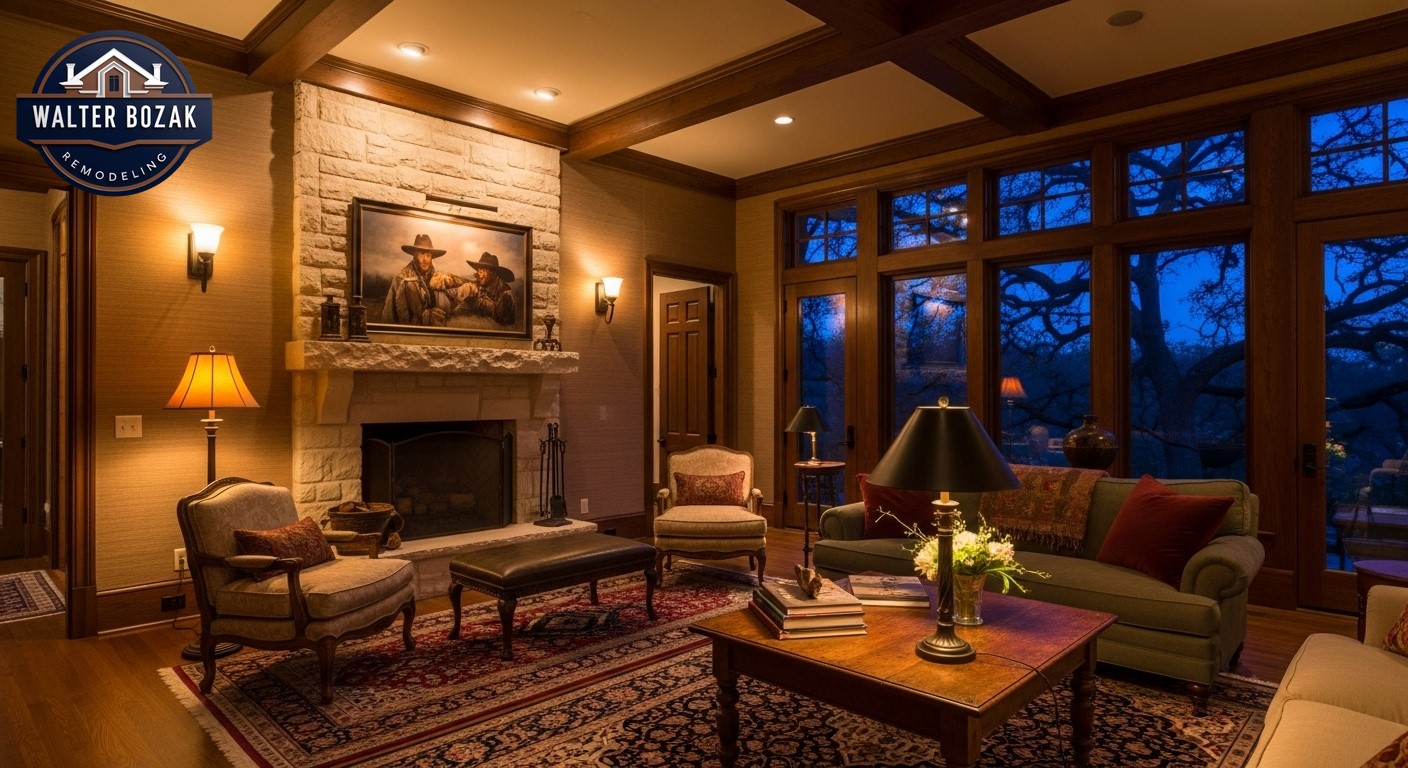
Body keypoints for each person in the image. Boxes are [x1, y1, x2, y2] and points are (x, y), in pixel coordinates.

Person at [381, 234, 451, 326]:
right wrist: (428, 317)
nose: (425, 258)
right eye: (421, 254)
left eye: (428, 255)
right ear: (415, 255)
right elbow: (401, 319)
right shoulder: (402, 280)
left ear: (431, 258)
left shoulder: (436, 279)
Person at [449, 251, 517, 326]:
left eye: (484, 270)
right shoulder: (481, 283)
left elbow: (500, 319)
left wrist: (475, 301)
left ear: (492, 272)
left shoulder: (505, 292)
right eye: (479, 270)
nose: (480, 273)